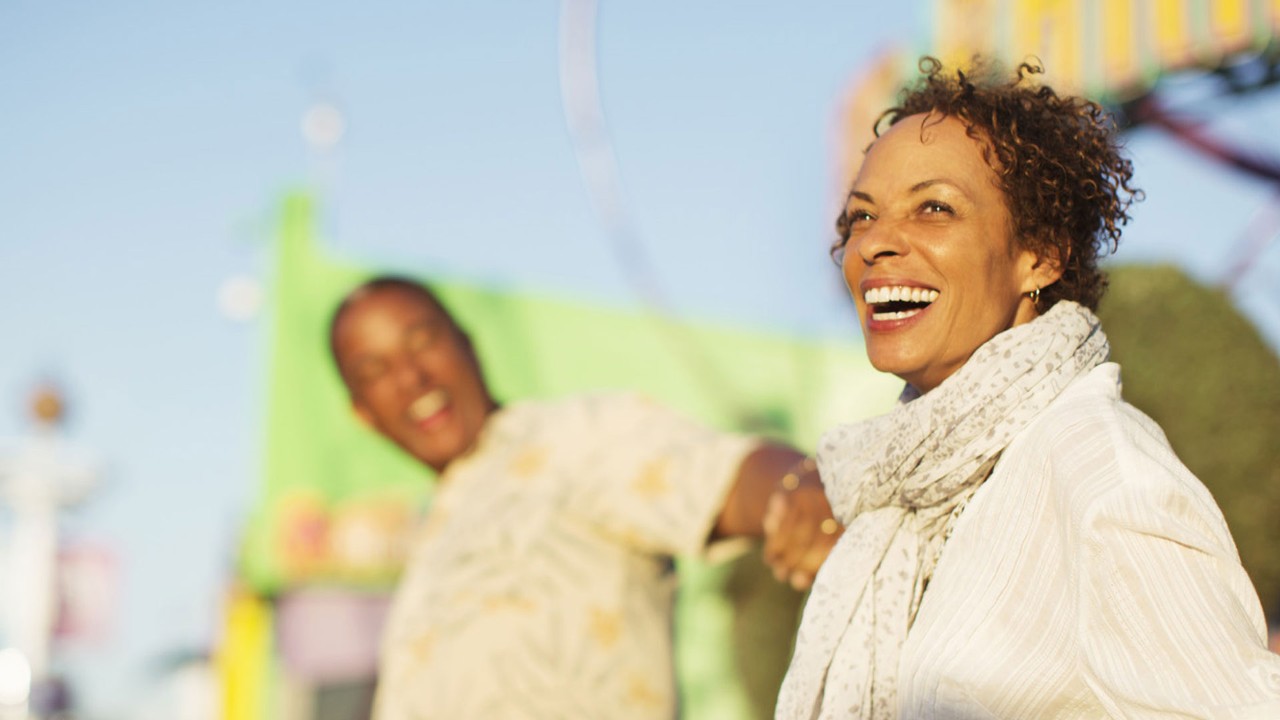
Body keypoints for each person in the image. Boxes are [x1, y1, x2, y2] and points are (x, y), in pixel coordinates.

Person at [776, 57, 1280, 719]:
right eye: (861, 218)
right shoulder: (903, 494)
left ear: (1039, 253)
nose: (875, 244)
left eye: (933, 208)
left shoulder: (1101, 471)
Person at [328, 275, 840, 720]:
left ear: (467, 343)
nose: (411, 377)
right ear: (363, 414)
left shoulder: (573, 440)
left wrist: (797, 489)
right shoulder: (430, 546)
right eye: (376, 371)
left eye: (422, 341)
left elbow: (722, 475)